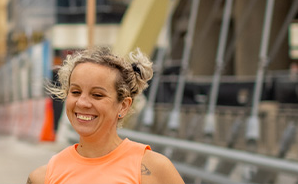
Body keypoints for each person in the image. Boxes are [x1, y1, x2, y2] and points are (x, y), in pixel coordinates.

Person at [28, 47, 184, 184]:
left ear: (123, 105)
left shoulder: (154, 169)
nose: (82, 103)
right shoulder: (43, 177)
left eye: (97, 95)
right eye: (75, 92)